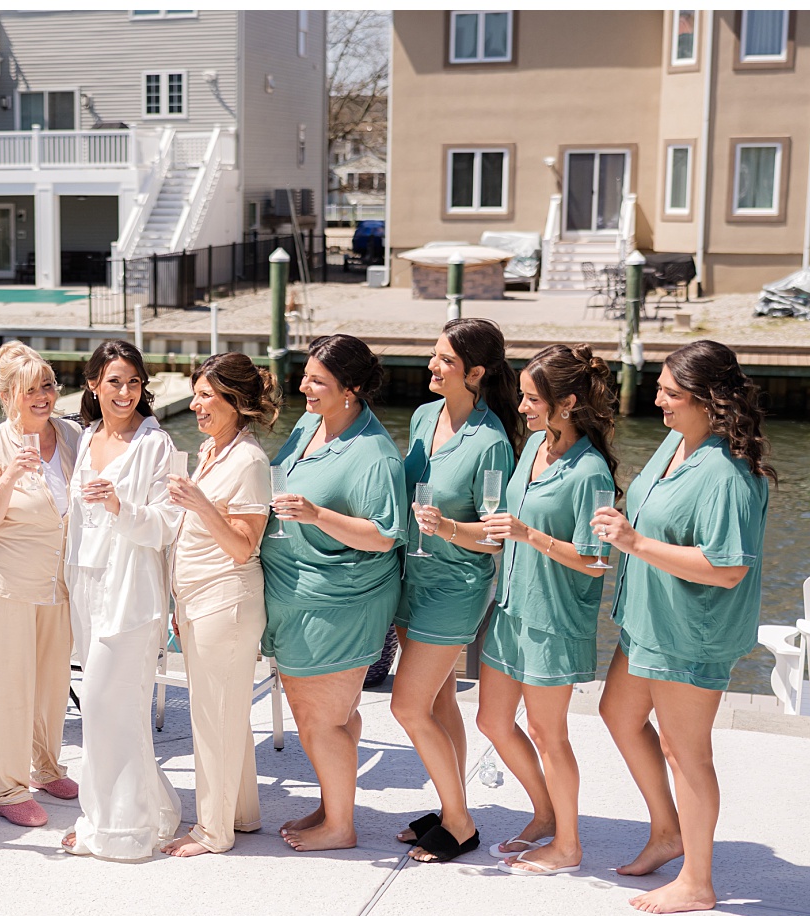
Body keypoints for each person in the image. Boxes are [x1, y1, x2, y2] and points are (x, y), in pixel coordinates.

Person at [595, 340, 773, 913]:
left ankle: (698, 881)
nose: (658, 401)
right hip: (648, 617)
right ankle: (668, 831)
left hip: (691, 631)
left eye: (671, 394)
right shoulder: (677, 442)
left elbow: (726, 569)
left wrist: (634, 541)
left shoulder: (728, 475)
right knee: (618, 714)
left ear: (709, 401)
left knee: (685, 751)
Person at [476, 344, 620, 877]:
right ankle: (544, 813)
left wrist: (527, 534)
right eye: (522, 397)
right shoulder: (534, 448)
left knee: (547, 733)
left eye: (533, 399)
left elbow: (594, 561)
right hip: (512, 608)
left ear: (567, 403)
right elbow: (507, 523)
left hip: (554, 619)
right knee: (492, 719)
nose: (522, 408)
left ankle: (569, 844)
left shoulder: (590, 473)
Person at [263, 334, 408, 853]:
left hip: (338, 602)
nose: (303, 385)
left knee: (318, 717)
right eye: (305, 374)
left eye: (317, 381)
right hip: (299, 594)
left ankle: (341, 827)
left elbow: (385, 534)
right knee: (334, 715)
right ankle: (334, 804)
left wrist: (316, 514)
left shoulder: (374, 455)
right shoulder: (310, 424)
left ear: (350, 390)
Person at [391, 317, 519, 864]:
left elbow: (495, 537)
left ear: (476, 373)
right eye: (434, 355)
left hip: (456, 585)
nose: (431, 366)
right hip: (410, 574)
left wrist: (446, 528)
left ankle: (462, 825)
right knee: (439, 699)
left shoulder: (491, 442)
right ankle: (450, 807)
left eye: (444, 359)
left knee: (407, 705)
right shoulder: (423, 416)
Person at [62, 340, 182, 859]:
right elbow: (71, 522)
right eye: (114, 381)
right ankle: (113, 815)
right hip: (86, 586)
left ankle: (127, 830)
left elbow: (167, 525)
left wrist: (118, 505)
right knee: (100, 709)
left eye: (133, 382)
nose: (125, 393)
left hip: (131, 590)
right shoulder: (86, 437)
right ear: (93, 384)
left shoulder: (157, 445)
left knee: (114, 703)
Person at [162, 353, 278, 857]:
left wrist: (199, 503)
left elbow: (243, 546)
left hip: (225, 602)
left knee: (214, 717)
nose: (195, 405)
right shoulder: (214, 451)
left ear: (234, 400)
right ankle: (241, 813)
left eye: (206, 395)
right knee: (226, 714)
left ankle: (213, 831)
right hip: (199, 599)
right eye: (196, 394)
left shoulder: (250, 461)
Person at [0, 342, 82, 827]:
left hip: (60, 581)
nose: (43, 397)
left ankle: (46, 766)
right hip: (7, 582)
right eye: (30, 389)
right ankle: (6, 788)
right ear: (9, 394)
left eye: (49, 386)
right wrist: (10, 475)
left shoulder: (72, 435)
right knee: (9, 686)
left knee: (54, 682)